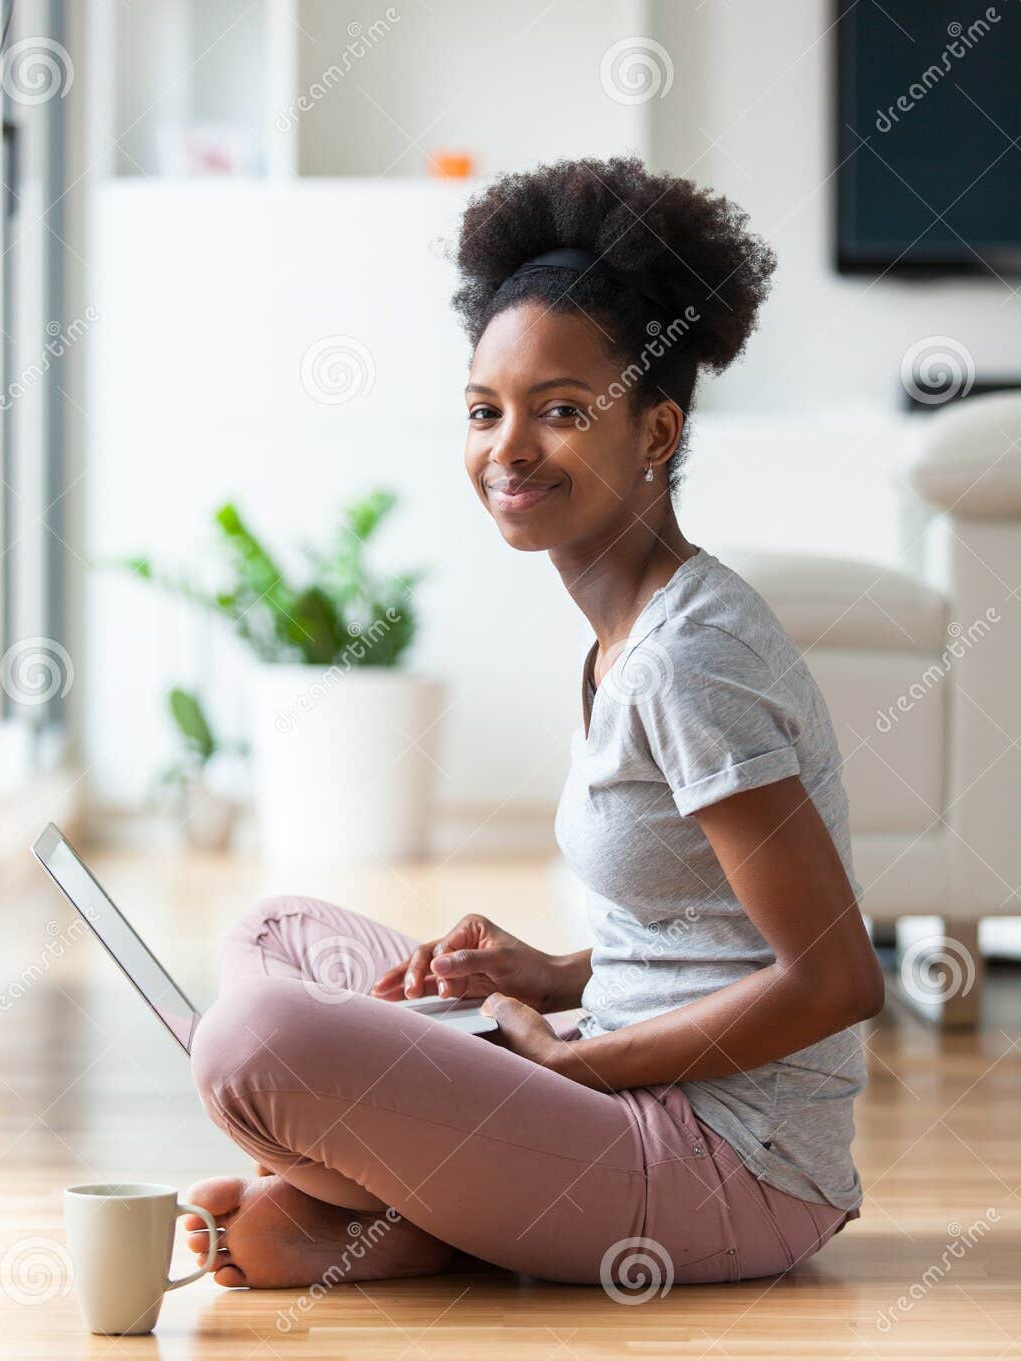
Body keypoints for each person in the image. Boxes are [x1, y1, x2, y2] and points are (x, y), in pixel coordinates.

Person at [184, 157, 883, 1293]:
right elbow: (707, 935)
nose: (506, 448)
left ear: (654, 432)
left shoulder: (689, 657)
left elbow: (833, 978)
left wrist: (573, 1062)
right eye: (483, 410)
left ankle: (409, 1213)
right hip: (619, 1095)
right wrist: (548, 975)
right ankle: (434, 1208)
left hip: (729, 1167)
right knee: (276, 939)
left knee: (251, 1044)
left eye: (560, 411)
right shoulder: (623, 638)